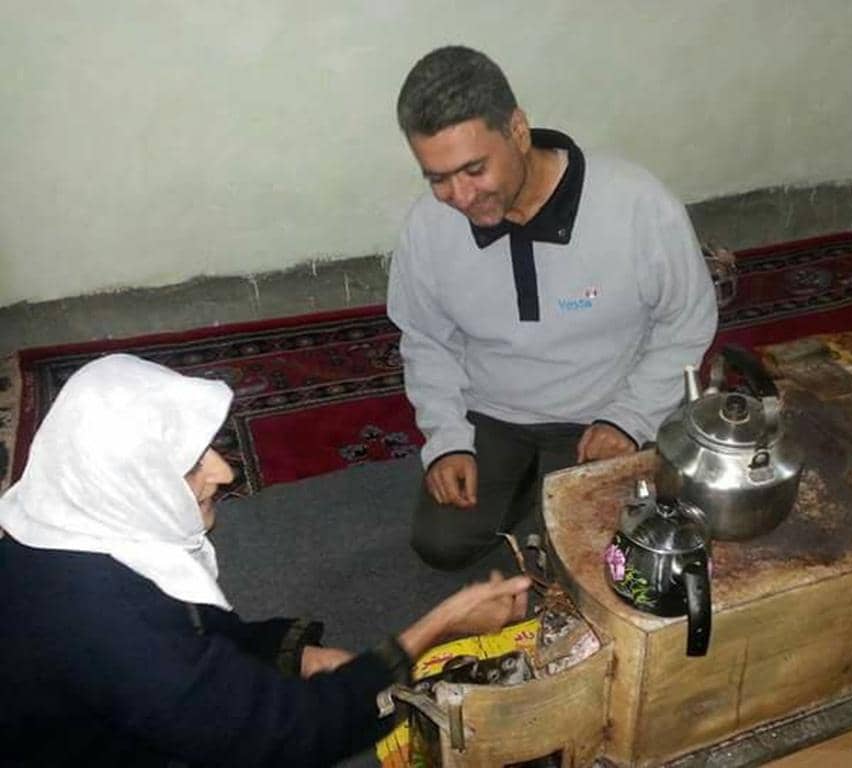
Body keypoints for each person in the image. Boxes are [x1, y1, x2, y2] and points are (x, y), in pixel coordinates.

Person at [0, 354, 530, 767]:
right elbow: (290, 736)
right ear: (124, 485)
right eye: (190, 466)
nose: (225, 472)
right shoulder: (113, 627)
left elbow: (188, 638)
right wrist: (438, 626)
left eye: (210, 447)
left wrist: (288, 653)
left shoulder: (66, 529)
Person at [387, 45, 718, 571]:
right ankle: (529, 490)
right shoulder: (428, 225)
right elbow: (426, 339)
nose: (459, 196)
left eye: (474, 169)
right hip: (492, 413)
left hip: (605, 410)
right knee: (441, 543)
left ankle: (548, 495)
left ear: (518, 130)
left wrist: (629, 419)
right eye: (437, 177)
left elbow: (686, 322)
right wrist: (447, 440)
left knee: (597, 557)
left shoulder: (636, 204)